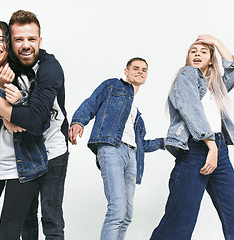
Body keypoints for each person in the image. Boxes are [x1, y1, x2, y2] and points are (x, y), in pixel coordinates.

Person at [0, 10, 69, 240]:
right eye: (18, 39)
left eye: (31, 39)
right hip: (7, 158)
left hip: (45, 152)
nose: (25, 45)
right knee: (23, 220)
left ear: (40, 40)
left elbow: (34, 122)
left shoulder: (43, 70)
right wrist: (2, 103)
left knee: (50, 219)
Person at [150, 34, 234, 240]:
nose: (197, 54)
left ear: (211, 59)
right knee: (179, 222)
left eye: (203, 52)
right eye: (193, 51)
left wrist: (216, 42)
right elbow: (191, 110)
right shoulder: (186, 75)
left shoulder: (215, 85)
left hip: (219, 151)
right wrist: (211, 147)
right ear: (188, 58)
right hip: (195, 150)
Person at [69, 57, 165, 240]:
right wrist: (78, 121)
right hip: (112, 149)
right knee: (117, 209)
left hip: (132, 156)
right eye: (135, 68)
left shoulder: (137, 115)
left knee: (126, 215)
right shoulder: (112, 86)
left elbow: (142, 144)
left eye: (144, 70)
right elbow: (92, 102)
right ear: (126, 71)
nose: (140, 72)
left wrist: (163, 142)